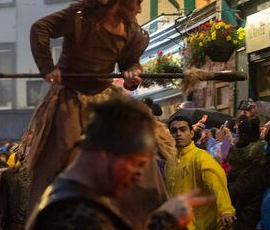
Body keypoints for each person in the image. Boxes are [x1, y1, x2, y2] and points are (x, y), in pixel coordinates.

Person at [22, 0, 167, 224]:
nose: (139, 9)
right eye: (137, 1)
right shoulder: (79, 18)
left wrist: (133, 73)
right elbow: (40, 29)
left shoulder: (132, 32)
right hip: (70, 98)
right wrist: (47, 68)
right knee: (68, 158)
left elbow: (129, 62)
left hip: (104, 100)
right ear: (116, 0)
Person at [26, 95, 214, 230]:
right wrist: (164, 223)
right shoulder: (76, 215)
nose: (138, 176)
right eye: (136, 163)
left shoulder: (70, 196)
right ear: (105, 153)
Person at [165, 114, 236, 229]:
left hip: (200, 224)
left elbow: (216, 184)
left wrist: (226, 210)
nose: (178, 134)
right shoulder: (170, 162)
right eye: (174, 131)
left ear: (192, 133)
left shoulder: (202, 158)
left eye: (183, 129)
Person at [226, 117, 266, 230]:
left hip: (235, 200)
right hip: (251, 206)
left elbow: (222, 159)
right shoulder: (262, 149)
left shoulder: (232, 147)